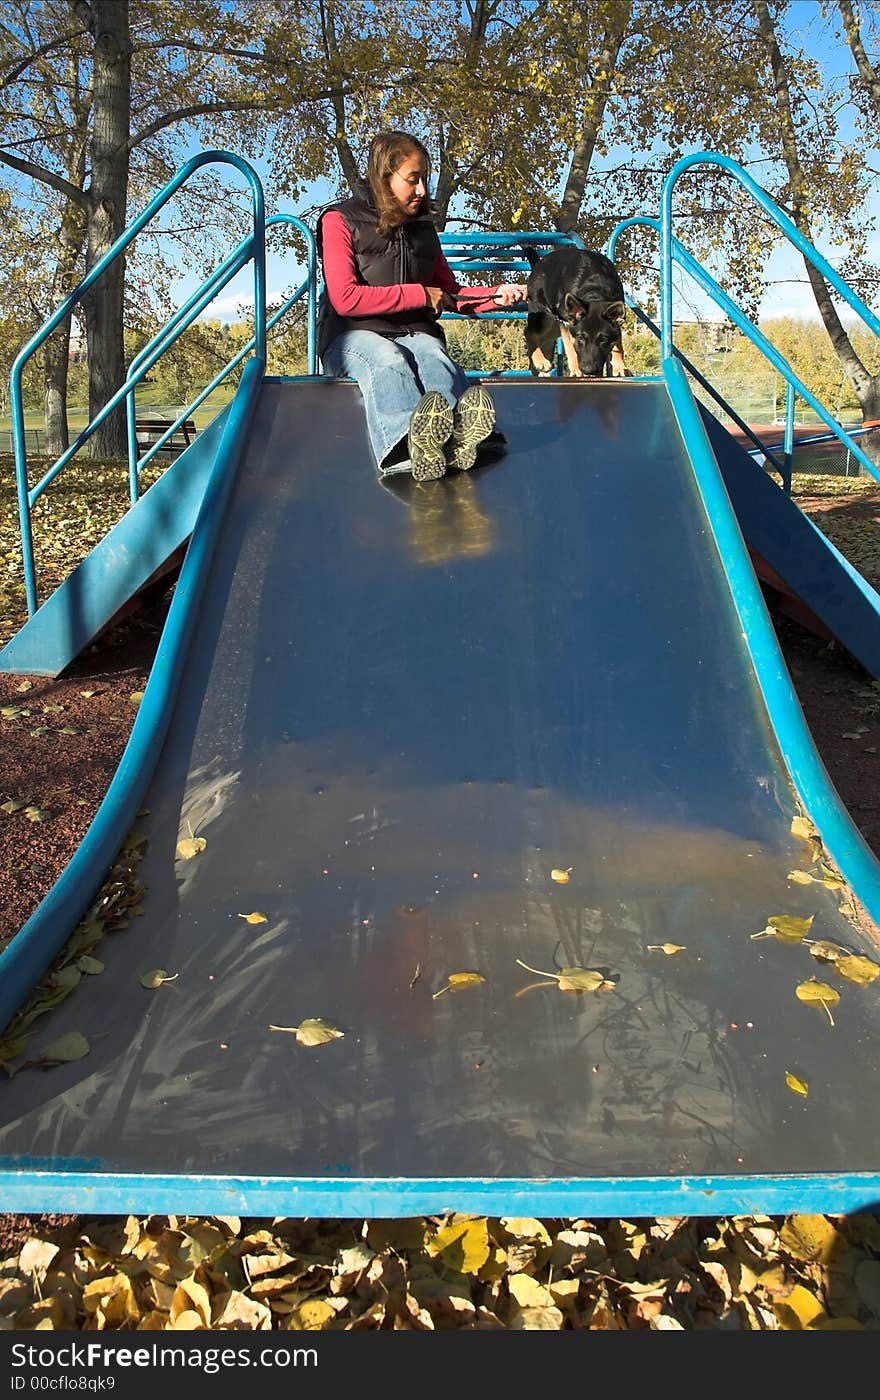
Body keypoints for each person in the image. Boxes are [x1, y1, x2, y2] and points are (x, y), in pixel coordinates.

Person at [317, 129, 528, 481]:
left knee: (434, 355)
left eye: (424, 180)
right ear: (385, 176)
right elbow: (346, 298)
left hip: (414, 331)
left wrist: (495, 295)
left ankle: (455, 438)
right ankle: (404, 445)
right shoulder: (340, 220)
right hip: (353, 336)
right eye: (413, 179)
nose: (422, 190)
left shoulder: (423, 230)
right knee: (389, 361)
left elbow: (451, 293)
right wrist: (418, 293)